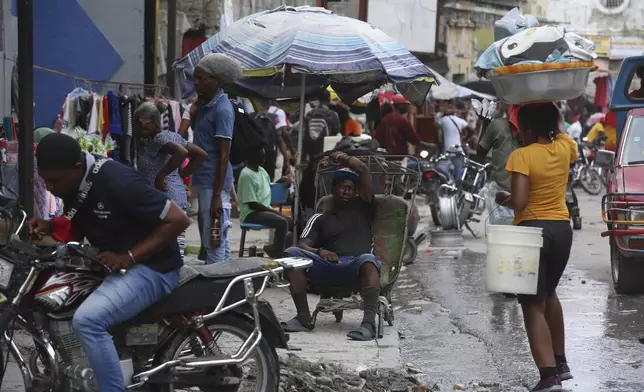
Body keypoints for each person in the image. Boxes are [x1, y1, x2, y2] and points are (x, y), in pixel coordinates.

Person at [29, 133, 189, 392]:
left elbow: (179, 220)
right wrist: (49, 225)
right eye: (45, 180)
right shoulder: (77, 183)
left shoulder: (118, 181)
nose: (49, 187)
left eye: (54, 180)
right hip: (117, 265)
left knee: (88, 321)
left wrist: (129, 256)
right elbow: (77, 223)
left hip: (153, 268)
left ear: (77, 168)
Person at [495, 104, 576, 392]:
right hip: (562, 230)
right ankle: (561, 362)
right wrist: (551, 105)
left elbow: (519, 202)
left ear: (527, 128)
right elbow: (562, 126)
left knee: (531, 305)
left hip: (531, 232)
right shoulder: (566, 146)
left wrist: (503, 198)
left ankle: (548, 376)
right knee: (550, 292)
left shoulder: (522, 156)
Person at [282, 152, 382, 341]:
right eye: (342, 187)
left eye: (351, 188)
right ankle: (304, 318)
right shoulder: (320, 218)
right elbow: (302, 244)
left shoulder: (365, 208)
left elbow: (363, 169)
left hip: (356, 267)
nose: (346, 191)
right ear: (334, 189)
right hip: (328, 267)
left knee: (369, 260)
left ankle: (368, 324)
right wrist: (320, 251)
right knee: (291, 255)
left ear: (356, 192)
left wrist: (341, 157)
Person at [134, 101, 207, 258]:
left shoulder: (160, 138)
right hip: (175, 195)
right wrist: (180, 175)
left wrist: (162, 175)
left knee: (170, 244)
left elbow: (181, 152)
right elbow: (201, 155)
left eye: (144, 125)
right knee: (175, 242)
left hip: (165, 197)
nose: (141, 129)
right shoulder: (170, 136)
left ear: (154, 122)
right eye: (138, 125)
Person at [192, 53, 242, 264]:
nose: (196, 83)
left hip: (214, 184)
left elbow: (223, 155)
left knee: (213, 240)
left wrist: (217, 196)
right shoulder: (206, 105)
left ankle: (216, 289)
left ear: (215, 81)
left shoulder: (222, 109)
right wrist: (195, 111)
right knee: (217, 237)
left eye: (201, 78)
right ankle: (228, 282)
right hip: (205, 180)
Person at [237, 146, 293, 257]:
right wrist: (273, 211)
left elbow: (267, 188)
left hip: (263, 211)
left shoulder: (262, 171)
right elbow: (252, 203)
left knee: (295, 223)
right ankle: (278, 256)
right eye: (261, 154)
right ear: (252, 156)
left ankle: (276, 248)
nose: (264, 157)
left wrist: (280, 181)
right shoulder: (246, 174)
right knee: (282, 222)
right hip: (251, 213)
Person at [438, 102, 474, 180]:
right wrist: (465, 139)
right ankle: (457, 187)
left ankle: (446, 184)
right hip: (458, 150)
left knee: (442, 170)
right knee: (459, 171)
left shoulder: (441, 120)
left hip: (447, 151)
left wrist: (439, 142)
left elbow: (437, 134)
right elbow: (471, 130)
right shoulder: (459, 120)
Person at [303, 90, 342, 159]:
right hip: (326, 147)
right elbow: (336, 131)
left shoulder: (309, 114)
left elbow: (305, 130)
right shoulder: (332, 114)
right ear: (329, 99)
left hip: (310, 147)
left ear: (318, 99)